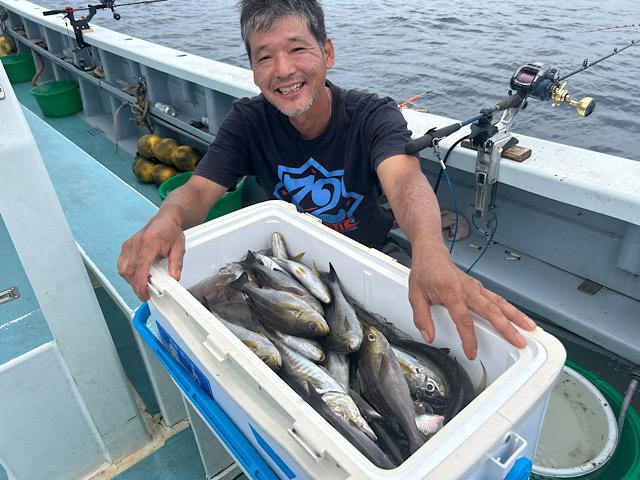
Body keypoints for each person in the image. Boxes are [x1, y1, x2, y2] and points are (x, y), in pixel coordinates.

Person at [118, 0, 536, 360]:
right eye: (265, 57)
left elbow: (404, 180)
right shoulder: (248, 122)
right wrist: (166, 220)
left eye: (297, 49)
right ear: (253, 70)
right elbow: (197, 190)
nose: (283, 70)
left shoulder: (372, 115)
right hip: (288, 263)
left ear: (327, 53)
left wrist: (430, 250)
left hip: (369, 252)